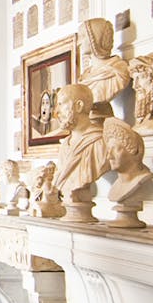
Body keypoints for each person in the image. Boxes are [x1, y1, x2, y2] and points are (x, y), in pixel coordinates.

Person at [52, 83, 108, 221]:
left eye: (61, 104)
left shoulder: (100, 143)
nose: (56, 111)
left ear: (79, 106)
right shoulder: (65, 145)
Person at [76, 18, 130, 122]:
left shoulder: (118, 71)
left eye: (82, 37)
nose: (79, 43)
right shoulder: (85, 76)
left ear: (95, 38)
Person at [103, 118, 151, 228]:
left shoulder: (141, 179)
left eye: (115, 150)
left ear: (133, 150)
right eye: (108, 150)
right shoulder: (115, 187)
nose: (109, 156)